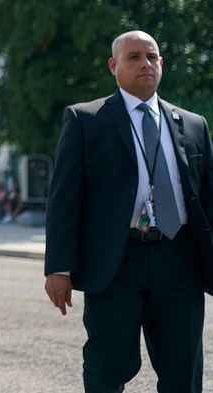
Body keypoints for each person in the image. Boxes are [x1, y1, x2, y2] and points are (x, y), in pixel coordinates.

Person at [44, 30, 213, 392]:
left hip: (179, 259)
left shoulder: (194, 125)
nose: (145, 64)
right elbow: (64, 200)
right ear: (113, 66)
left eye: (152, 57)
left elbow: (209, 201)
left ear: (162, 64)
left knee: (184, 369)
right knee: (108, 366)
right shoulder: (85, 120)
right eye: (134, 57)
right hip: (116, 262)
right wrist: (59, 267)